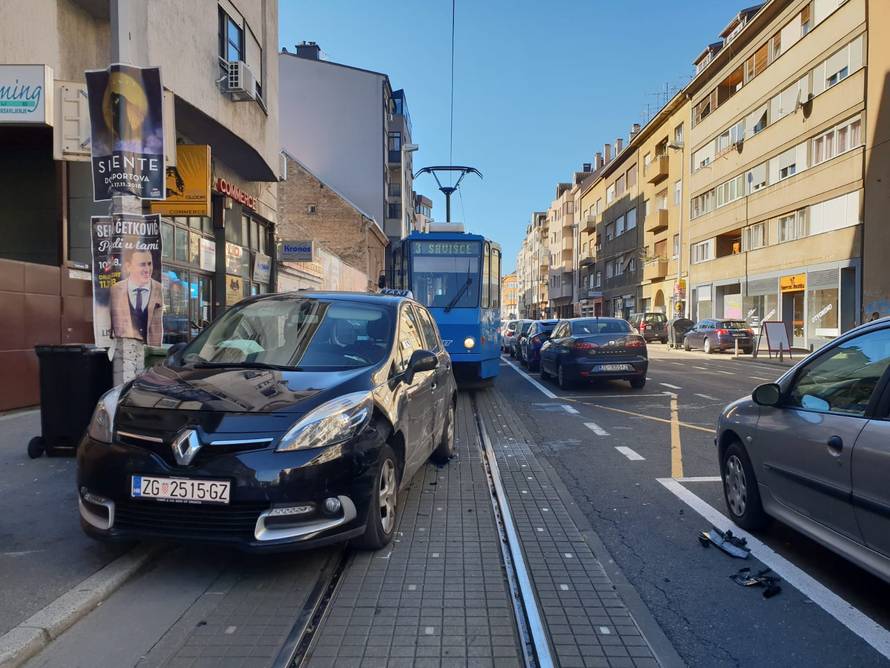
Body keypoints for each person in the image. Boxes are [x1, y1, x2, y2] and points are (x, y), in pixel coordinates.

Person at [109, 248, 163, 345]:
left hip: (149, 352)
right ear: (128, 267)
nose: (147, 269)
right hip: (124, 352)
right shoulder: (115, 290)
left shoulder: (158, 288)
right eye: (142, 264)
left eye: (149, 264)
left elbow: (157, 325)